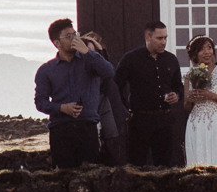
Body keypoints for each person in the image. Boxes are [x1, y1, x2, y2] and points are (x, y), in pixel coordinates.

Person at [32, 18, 117, 170]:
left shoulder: (89, 61)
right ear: (57, 43)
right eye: (68, 36)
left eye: (75, 34)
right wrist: (61, 108)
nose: (74, 38)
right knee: (63, 178)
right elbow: (40, 102)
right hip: (60, 129)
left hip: (87, 127)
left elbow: (109, 71)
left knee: (90, 175)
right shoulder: (46, 70)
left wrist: (87, 52)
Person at [116, 20, 188, 169]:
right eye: (159, 38)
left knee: (164, 166)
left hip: (164, 119)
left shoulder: (171, 59)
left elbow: (178, 86)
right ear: (148, 37)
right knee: (136, 165)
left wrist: (177, 95)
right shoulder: (131, 59)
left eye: (165, 38)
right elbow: (116, 86)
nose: (164, 42)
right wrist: (125, 111)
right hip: (140, 120)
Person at [179, 34, 217, 168]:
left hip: (215, 121)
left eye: (209, 48)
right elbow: (187, 107)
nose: (207, 52)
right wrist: (190, 99)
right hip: (196, 122)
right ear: (194, 54)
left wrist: (210, 95)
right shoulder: (190, 75)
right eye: (201, 49)